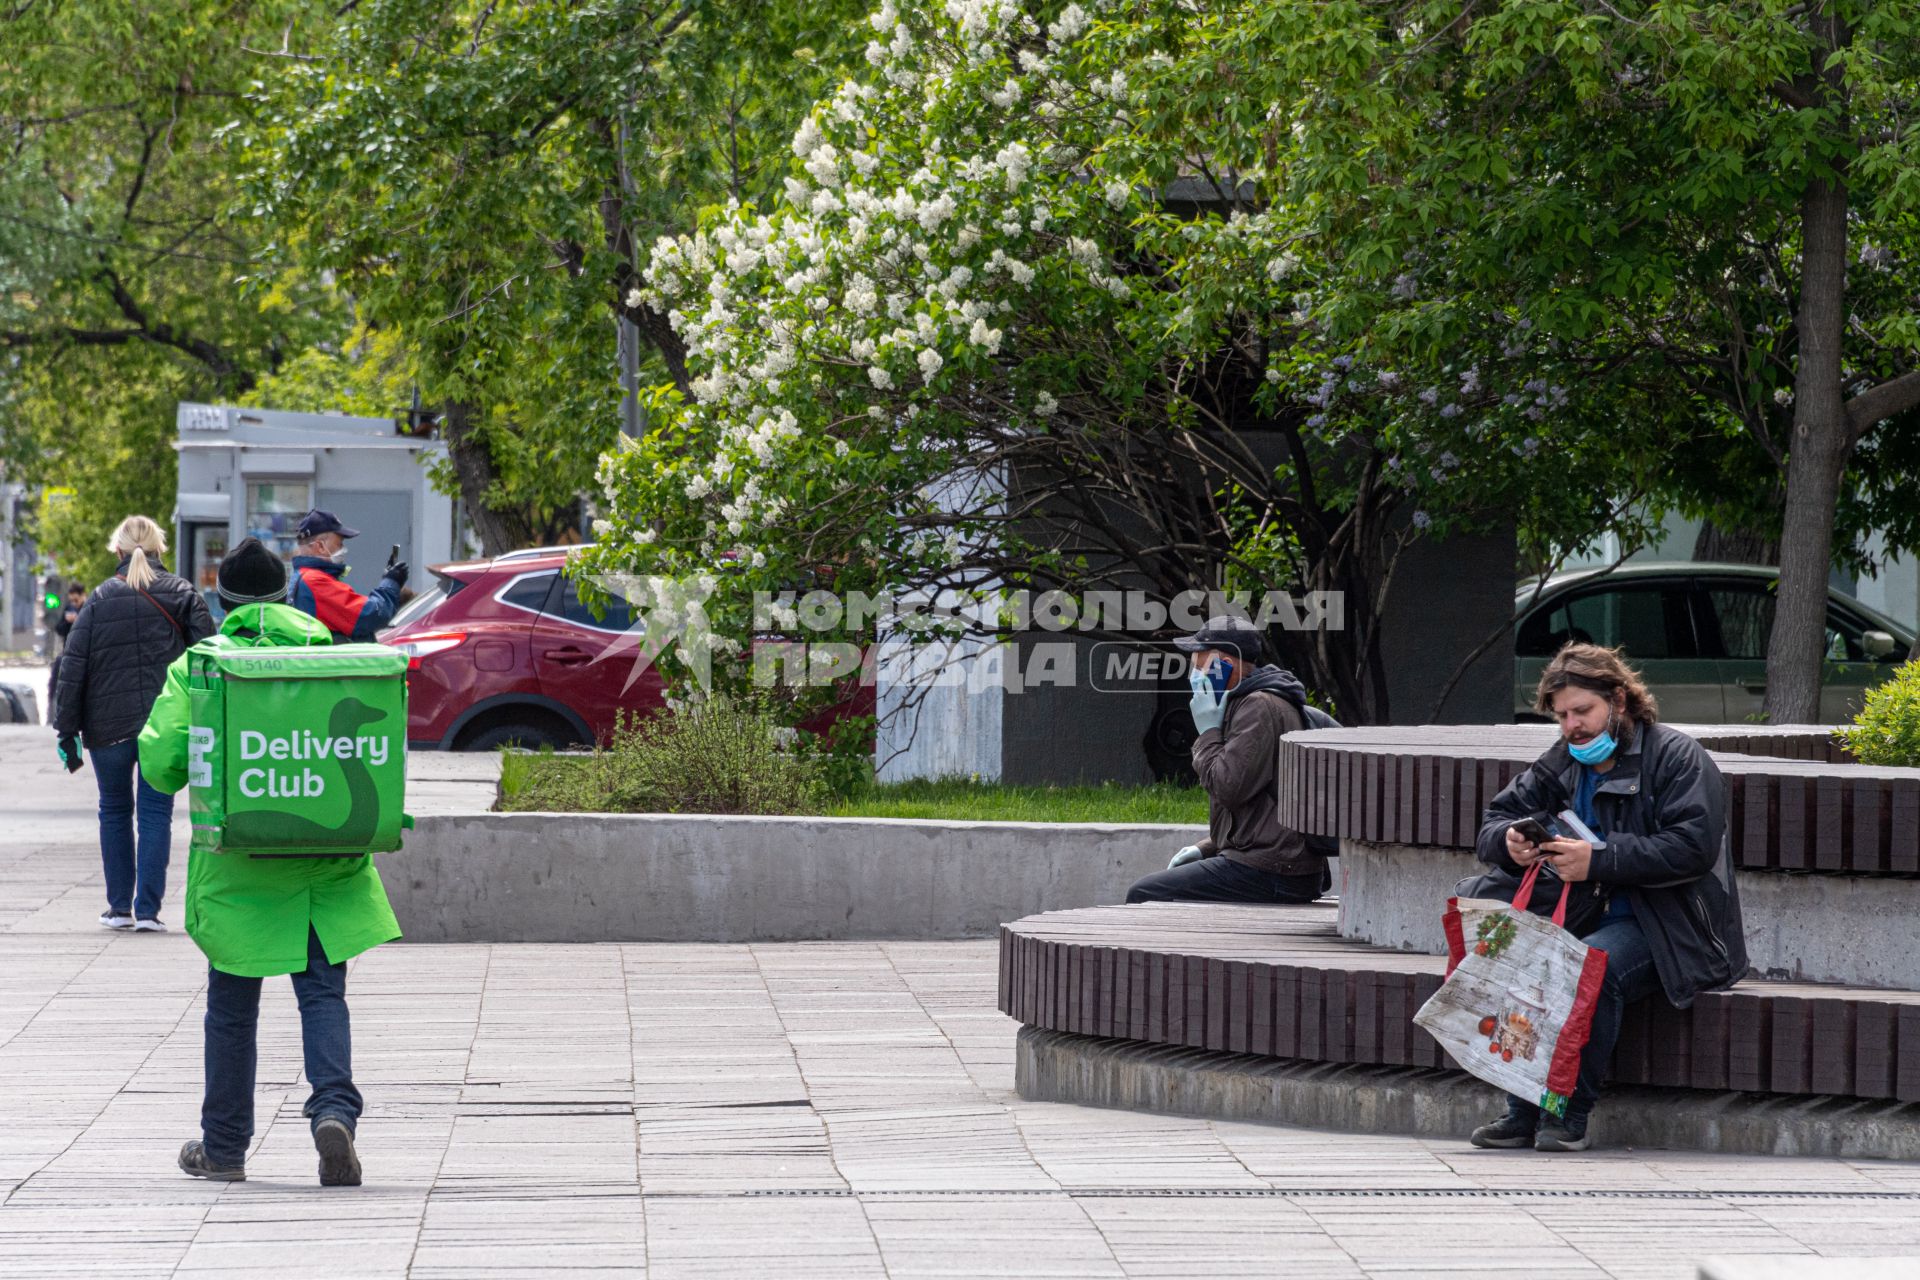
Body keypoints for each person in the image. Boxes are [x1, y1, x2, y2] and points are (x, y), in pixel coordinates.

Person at [139, 537, 401, 1186]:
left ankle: (224, 1148)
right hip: (322, 863)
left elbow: (163, 763)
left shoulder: (201, 666)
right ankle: (333, 1113)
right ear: (288, 596)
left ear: (220, 601)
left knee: (231, 1008)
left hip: (239, 870)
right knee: (322, 995)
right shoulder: (325, 657)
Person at [1468, 642, 1746, 1153]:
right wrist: (1508, 843)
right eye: (1562, 716)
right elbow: (1492, 822)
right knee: (1520, 958)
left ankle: (1567, 1115)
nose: (1573, 726)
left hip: (1669, 925)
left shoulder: (1676, 756)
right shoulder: (1562, 762)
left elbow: (1692, 847)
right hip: (1584, 913)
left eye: (1583, 711)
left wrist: (1599, 860)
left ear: (1619, 700)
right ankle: (1520, 1112)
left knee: (1587, 966)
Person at [52, 516, 215, 931]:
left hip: (108, 729)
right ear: (161, 548)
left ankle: (119, 908)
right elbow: (208, 663)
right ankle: (148, 912)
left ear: (118, 551)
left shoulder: (100, 599)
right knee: (157, 814)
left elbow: (74, 667)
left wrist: (66, 729)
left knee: (114, 810)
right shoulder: (183, 594)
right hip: (166, 725)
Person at [1126, 615, 1331, 904]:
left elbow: (1228, 788)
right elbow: (1259, 809)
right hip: (1273, 863)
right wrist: (1205, 848)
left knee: (1145, 893)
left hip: (1276, 872)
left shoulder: (1258, 707)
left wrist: (1208, 731)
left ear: (1226, 664)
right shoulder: (1247, 701)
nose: (1193, 672)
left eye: (1200, 662)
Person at [288, 508, 408, 643]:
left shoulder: (303, 576)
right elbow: (371, 614)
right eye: (339, 544)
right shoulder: (315, 581)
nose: (343, 549)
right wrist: (391, 583)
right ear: (320, 546)